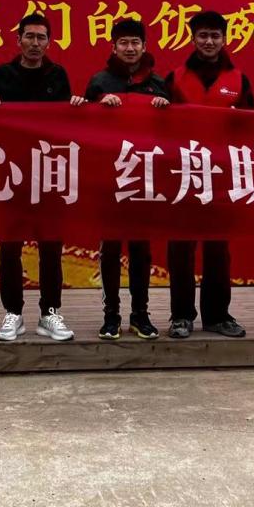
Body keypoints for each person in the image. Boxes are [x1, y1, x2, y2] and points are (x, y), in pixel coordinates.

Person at [0, 13, 86, 342]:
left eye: (41, 37)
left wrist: (76, 106)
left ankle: (49, 313)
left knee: (51, 247)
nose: (35, 43)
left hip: (49, 174)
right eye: (29, 36)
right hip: (12, 175)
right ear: (18, 40)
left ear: (49, 42)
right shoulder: (2, 75)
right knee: (10, 248)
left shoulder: (58, 75)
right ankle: (13, 313)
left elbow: (66, 122)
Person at [164, 11, 253, 340]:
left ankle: (217, 315)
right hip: (183, 172)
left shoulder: (239, 80)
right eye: (203, 35)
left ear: (224, 39)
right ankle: (181, 316)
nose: (209, 41)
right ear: (193, 38)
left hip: (222, 175)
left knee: (217, 248)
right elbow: (158, 126)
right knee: (180, 248)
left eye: (215, 35)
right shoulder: (175, 78)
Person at [84, 19, 169, 341]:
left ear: (144, 46)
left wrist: (164, 109)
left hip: (144, 177)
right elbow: (82, 126)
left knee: (140, 249)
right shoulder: (99, 81)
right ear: (114, 47)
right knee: (110, 249)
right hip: (110, 177)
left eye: (135, 42)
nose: (130, 48)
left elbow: (172, 132)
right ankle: (111, 316)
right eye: (124, 43)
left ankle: (140, 315)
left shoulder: (158, 84)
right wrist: (98, 107)